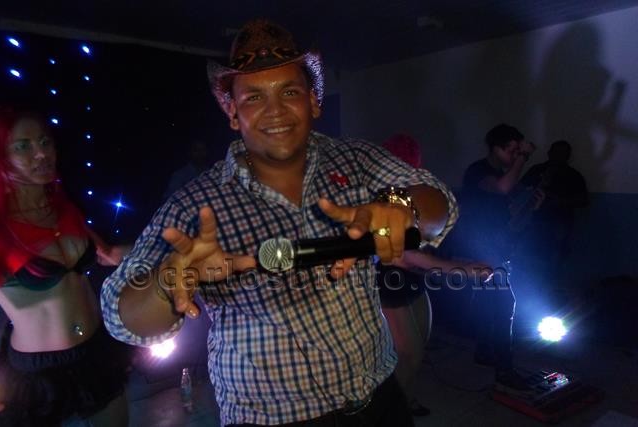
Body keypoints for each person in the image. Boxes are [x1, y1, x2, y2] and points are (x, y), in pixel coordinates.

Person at [101, 19, 458, 427]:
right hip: (270, 418)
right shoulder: (195, 204)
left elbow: (441, 204)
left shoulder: (358, 159)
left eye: (289, 91)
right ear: (232, 112)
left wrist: (402, 207)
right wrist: (168, 283)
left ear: (314, 101)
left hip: (379, 400)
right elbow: (120, 316)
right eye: (254, 97)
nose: (275, 110)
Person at [0, 108, 130, 426]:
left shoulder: (65, 208)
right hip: (35, 373)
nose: (41, 153)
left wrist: (163, 248)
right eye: (23, 146)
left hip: (95, 352)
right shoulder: (0, 229)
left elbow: (109, 254)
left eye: (45, 142)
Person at [378, 134, 489, 416]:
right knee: (408, 353)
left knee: (418, 348)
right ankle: (391, 413)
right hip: (389, 285)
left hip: (412, 280)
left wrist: (457, 263)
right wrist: (462, 270)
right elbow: (403, 256)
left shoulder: (414, 194)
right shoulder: (384, 199)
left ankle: (406, 400)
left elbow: (422, 247)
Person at [456, 123, 537, 391]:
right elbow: (502, 189)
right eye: (511, 151)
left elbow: (509, 215)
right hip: (479, 248)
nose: (514, 156)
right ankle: (505, 369)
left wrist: (530, 205)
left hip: (495, 247)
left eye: (517, 152)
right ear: (495, 148)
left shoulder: (501, 174)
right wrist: (523, 157)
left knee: (488, 303)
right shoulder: (478, 171)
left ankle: (484, 351)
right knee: (505, 304)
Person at [519, 140, 588, 278]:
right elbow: (519, 190)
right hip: (534, 222)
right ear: (549, 153)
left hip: (559, 224)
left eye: (562, 153)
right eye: (556, 152)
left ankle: (549, 283)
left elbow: (583, 200)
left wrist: (560, 201)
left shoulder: (573, 175)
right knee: (530, 255)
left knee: (554, 258)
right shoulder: (537, 170)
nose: (558, 156)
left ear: (568, 156)